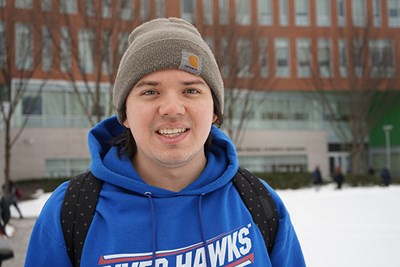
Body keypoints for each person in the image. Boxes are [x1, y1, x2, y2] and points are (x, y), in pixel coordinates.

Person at [25, 18, 305, 266]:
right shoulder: (72, 211)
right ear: (125, 115)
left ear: (215, 110)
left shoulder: (258, 201)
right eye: (150, 92)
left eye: (191, 90)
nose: (172, 108)